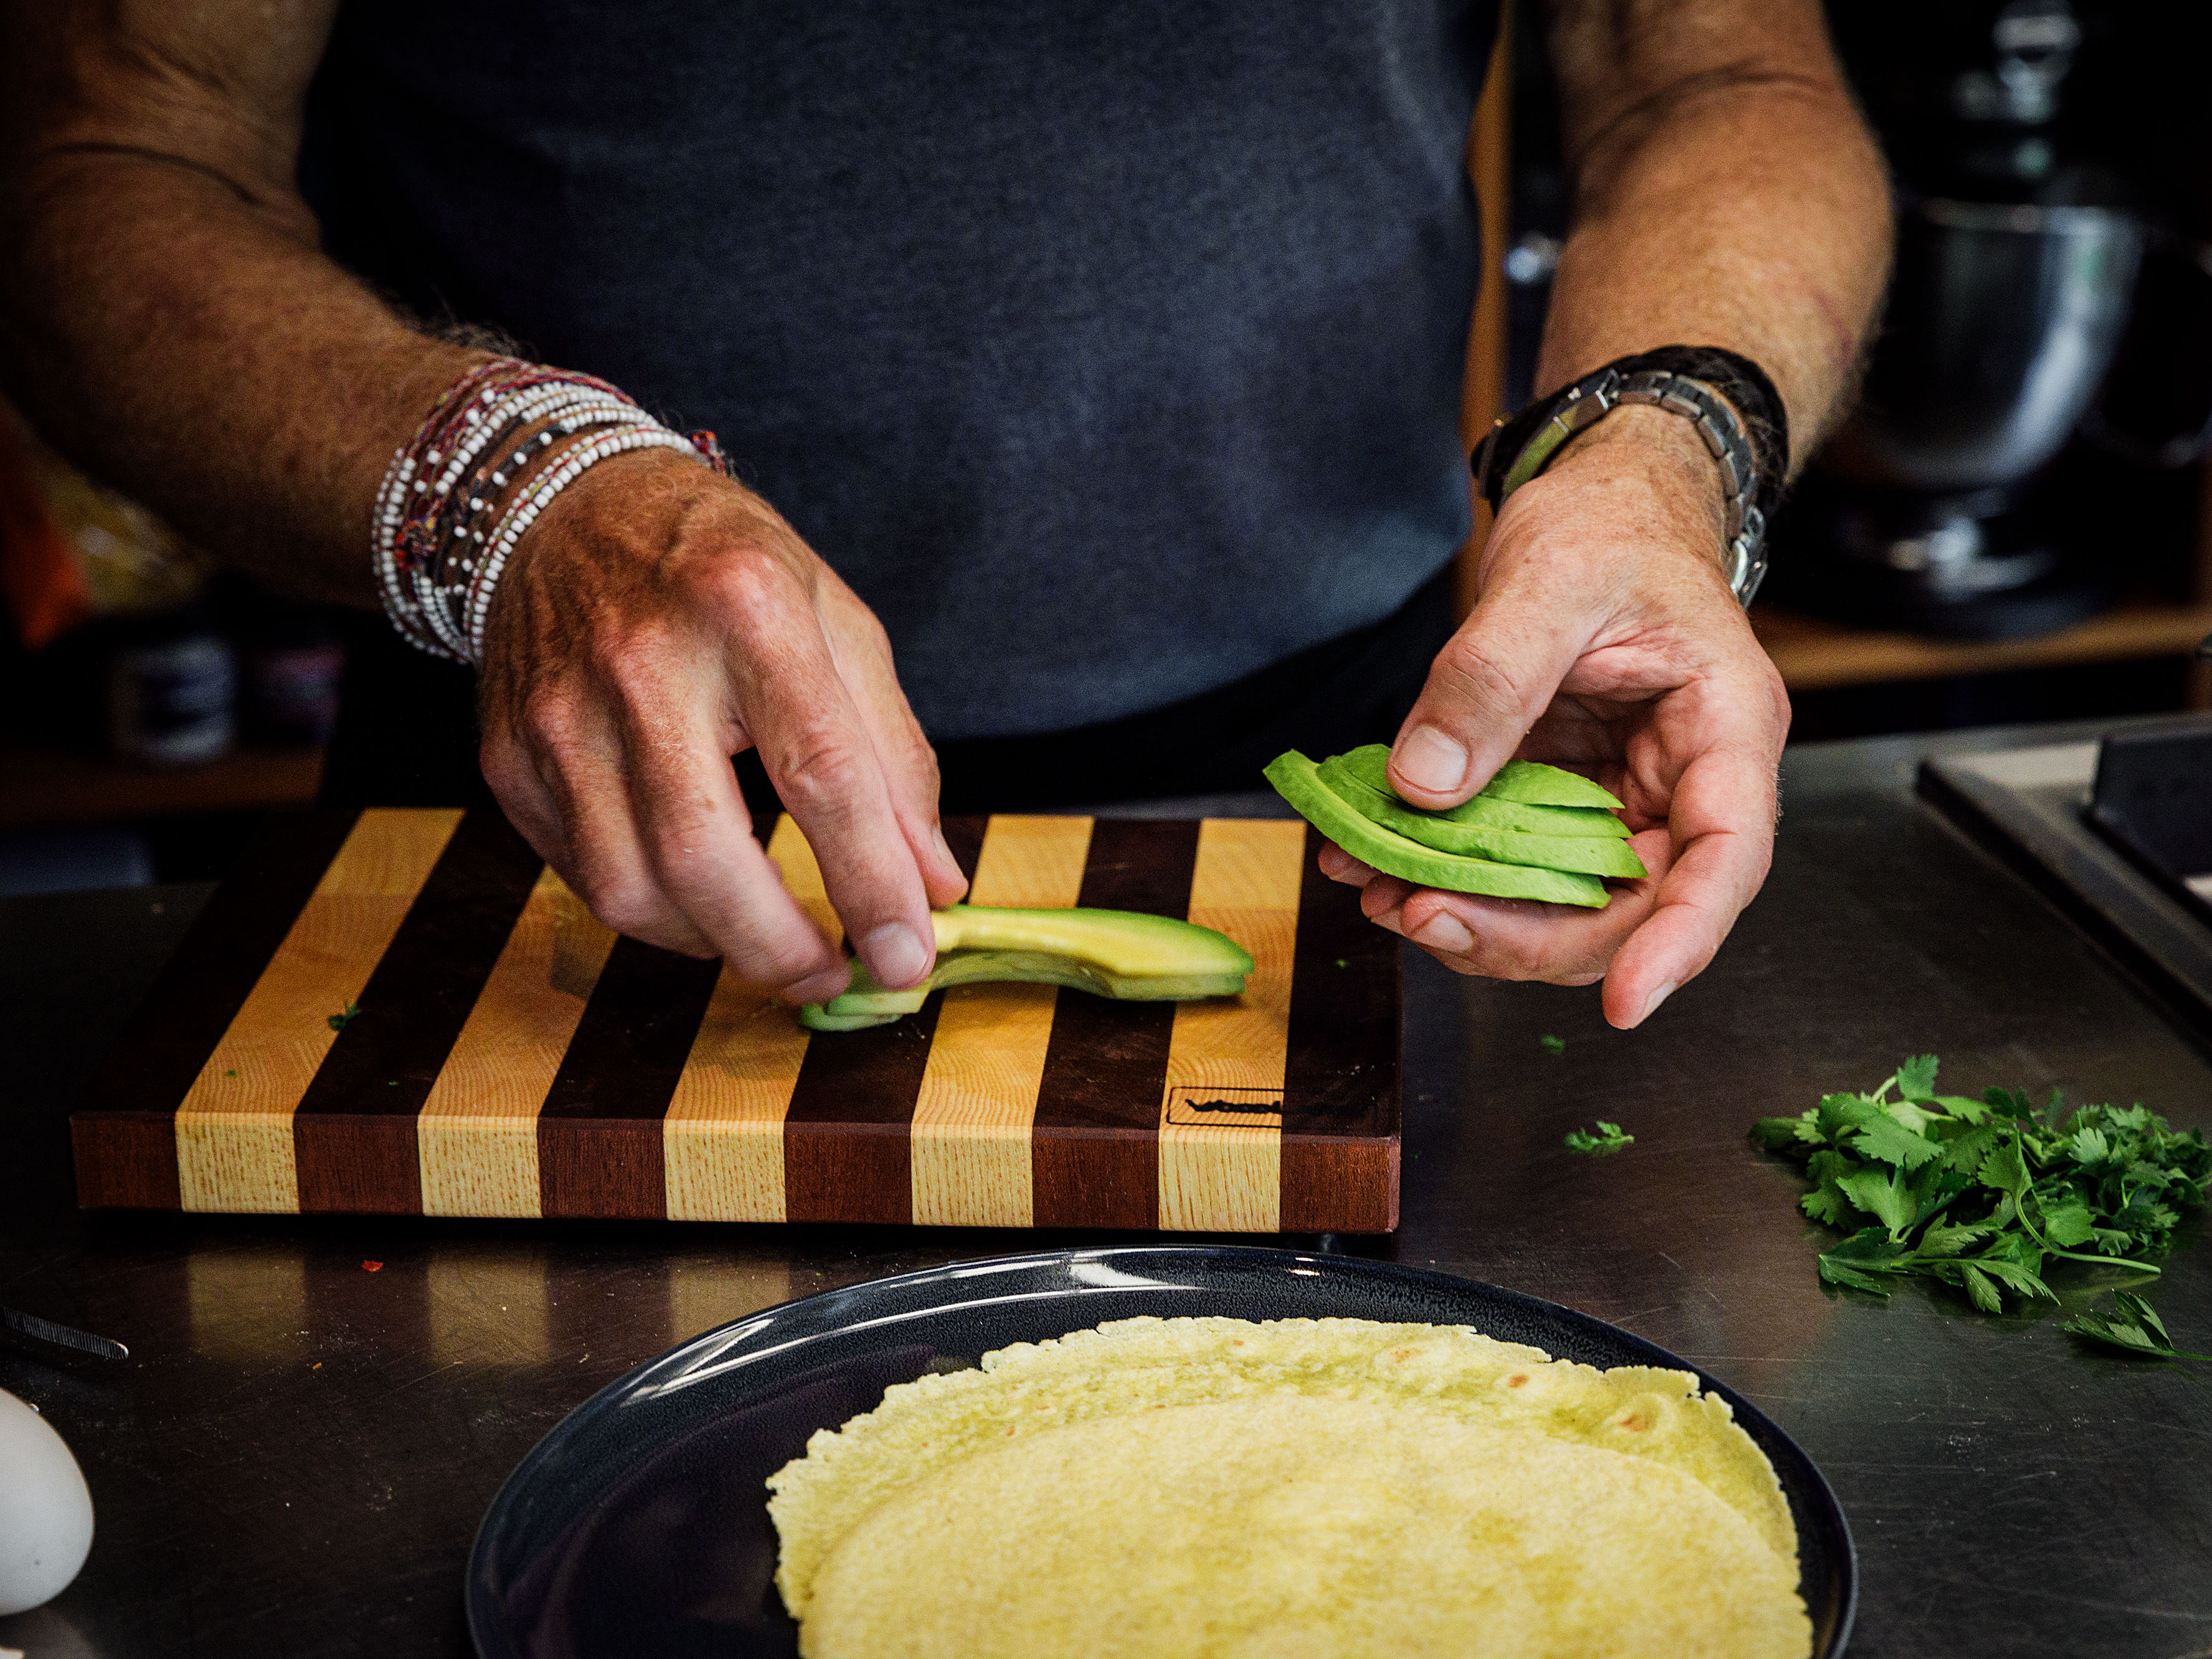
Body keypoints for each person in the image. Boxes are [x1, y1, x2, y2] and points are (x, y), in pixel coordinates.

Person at [0, 2, 1888, 1030]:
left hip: (1374, 787)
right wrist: (519, 489)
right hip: (561, 786)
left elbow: (1722, 70)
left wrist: (1666, 453)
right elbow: (102, 157)